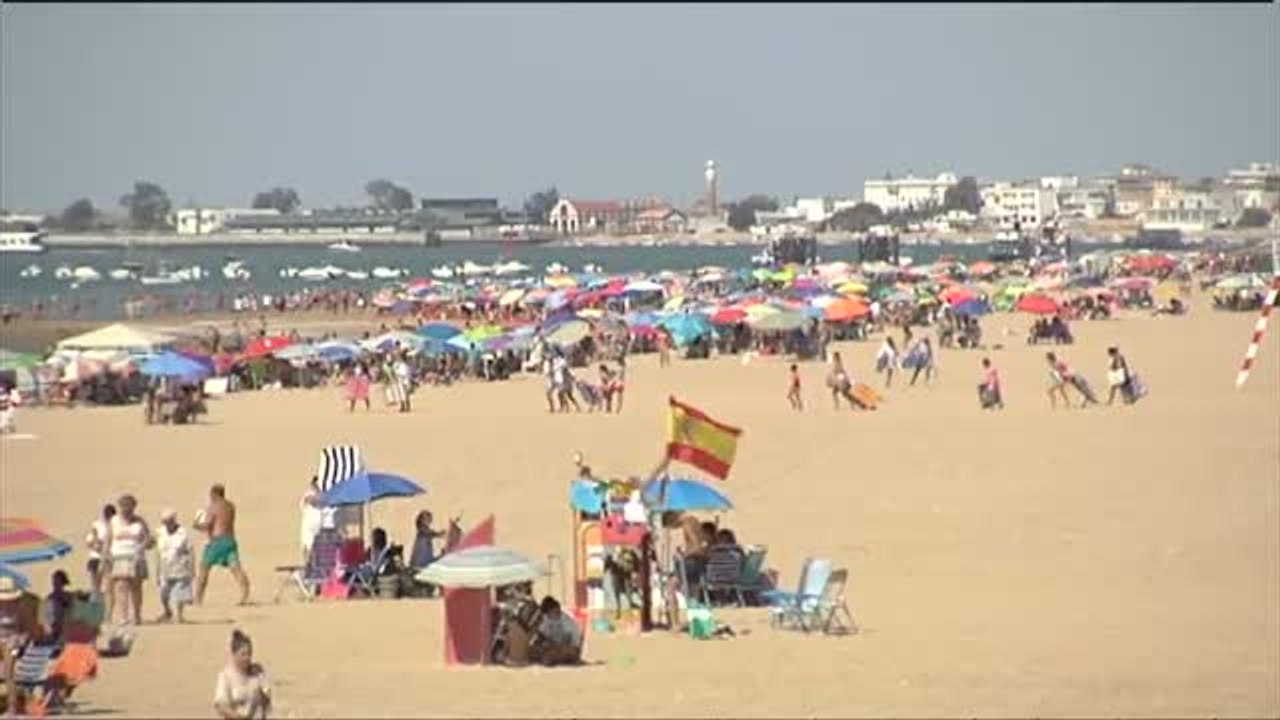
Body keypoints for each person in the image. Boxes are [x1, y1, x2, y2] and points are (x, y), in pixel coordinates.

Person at [195, 484, 251, 607]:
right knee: (236, 569)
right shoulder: (230, 506)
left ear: (214, 494)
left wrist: (197, 525)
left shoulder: (213, 507)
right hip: (230, 540)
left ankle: (198, 599)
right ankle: (245, 594)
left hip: (216, 542)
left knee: (204, 568)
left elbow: (208, 525)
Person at [106, 494, 153, 626]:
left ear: (134, 507)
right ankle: (123, 616)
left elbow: (149, 539)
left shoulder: (140, 521)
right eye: (124, 507)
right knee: (121, 586)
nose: (127, 510)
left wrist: (146, 543)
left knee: (136, 587)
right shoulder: (113, 521)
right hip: (119, 557)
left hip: (136, 557)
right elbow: (108, 541)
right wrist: (105, 558)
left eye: (130, 507)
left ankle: (137, 615)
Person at [214, 630, 271, 720]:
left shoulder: (258, 671)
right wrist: (241, 718)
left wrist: (261, 696)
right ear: (234, 654)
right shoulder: (225, 676)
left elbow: (267, 701)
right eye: (243, 654)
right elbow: (221, 707)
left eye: (249, 653)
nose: (247, 658)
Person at [155, 509, 194, 624]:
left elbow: (190, 550)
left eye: (169, 521)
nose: (167, 524)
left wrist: (192, 568)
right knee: (164, 594)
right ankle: (167, 611)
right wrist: (157, 571)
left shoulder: (183, 533)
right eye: (164, 521)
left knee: (179, 594)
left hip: (181, 568)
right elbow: (157, 552)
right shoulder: (160, 532)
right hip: (165, 569)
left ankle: (179, 616)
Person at [530, 596, 582, 667]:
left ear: (555, 610)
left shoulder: (567, 622)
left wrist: (556, 646)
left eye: (548, 612)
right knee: (533, 650)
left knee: (557, 653)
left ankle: (553, 658)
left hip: (568, 648)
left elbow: (571, 641)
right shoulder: (547, 619)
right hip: (553, 648)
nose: (547, 615)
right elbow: (541, 635)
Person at [85, 504, 116, 597]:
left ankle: (106, 602)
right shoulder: (97, 525)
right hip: (95, 557)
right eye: (107, 514)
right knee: (95, 585)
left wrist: (103, 546)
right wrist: (97, 544)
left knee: (108, 584)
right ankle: (95, 601)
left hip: (108, 558)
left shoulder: (115, 526)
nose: (108, 517)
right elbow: (89, 541)